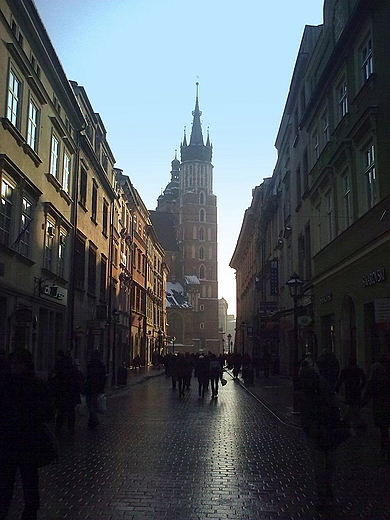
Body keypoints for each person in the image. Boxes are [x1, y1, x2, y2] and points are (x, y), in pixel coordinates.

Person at [0, 349, 56, 520]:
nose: (14, 367)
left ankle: (30, 511)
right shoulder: (5, 385)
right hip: (8, 441)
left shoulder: (36, 385)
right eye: (12, 364)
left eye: (17, 363)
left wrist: (29, 419)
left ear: (26, 365)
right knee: (6, 481)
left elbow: (48, 412)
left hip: (28, 441)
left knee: (29, 480)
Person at [299, 358, 350, 512]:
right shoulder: (324, 387)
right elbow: (337, 403)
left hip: (315, 431)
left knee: (319, 466)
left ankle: (323, 496)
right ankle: (328, 493)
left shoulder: (306, 390)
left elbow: (305, 413)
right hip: (329, 429)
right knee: (329, 464)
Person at [361, 356, 390, 461]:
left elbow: (367, 396)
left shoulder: (372, 381)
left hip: (379, 407)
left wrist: (360, 405)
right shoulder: (387, 379)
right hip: (387, 406)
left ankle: (384, 449)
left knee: (383, 430)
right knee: (385, 429)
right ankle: (385, 449)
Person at [52, 355, 84, 436]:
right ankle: (71, 430)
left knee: (61, 413)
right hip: (72, 396)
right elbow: (80, 380)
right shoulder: (75, 370)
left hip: (62, 395)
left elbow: (56, 382)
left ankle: (58, 429)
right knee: (71, 413)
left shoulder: (61, 370)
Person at [335, 357, 366, 432]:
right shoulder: (358, 370)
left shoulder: (345, 370)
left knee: (352, 406)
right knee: (354, 406)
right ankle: (358, 422)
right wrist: (361, 387)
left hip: (348, 390)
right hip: (356, 390)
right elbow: (364, 379)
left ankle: (347, 421)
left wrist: (336, 389)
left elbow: (340, 381)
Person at [84, 350, 106, 429]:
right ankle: (91, 421)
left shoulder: (90, 365)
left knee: (90, 404)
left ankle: (94, 419)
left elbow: (88, 376)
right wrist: (102, 388)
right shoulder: (101, 365)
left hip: (90, 388)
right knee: (93, 404)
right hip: (97, 388)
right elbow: (103, 378)